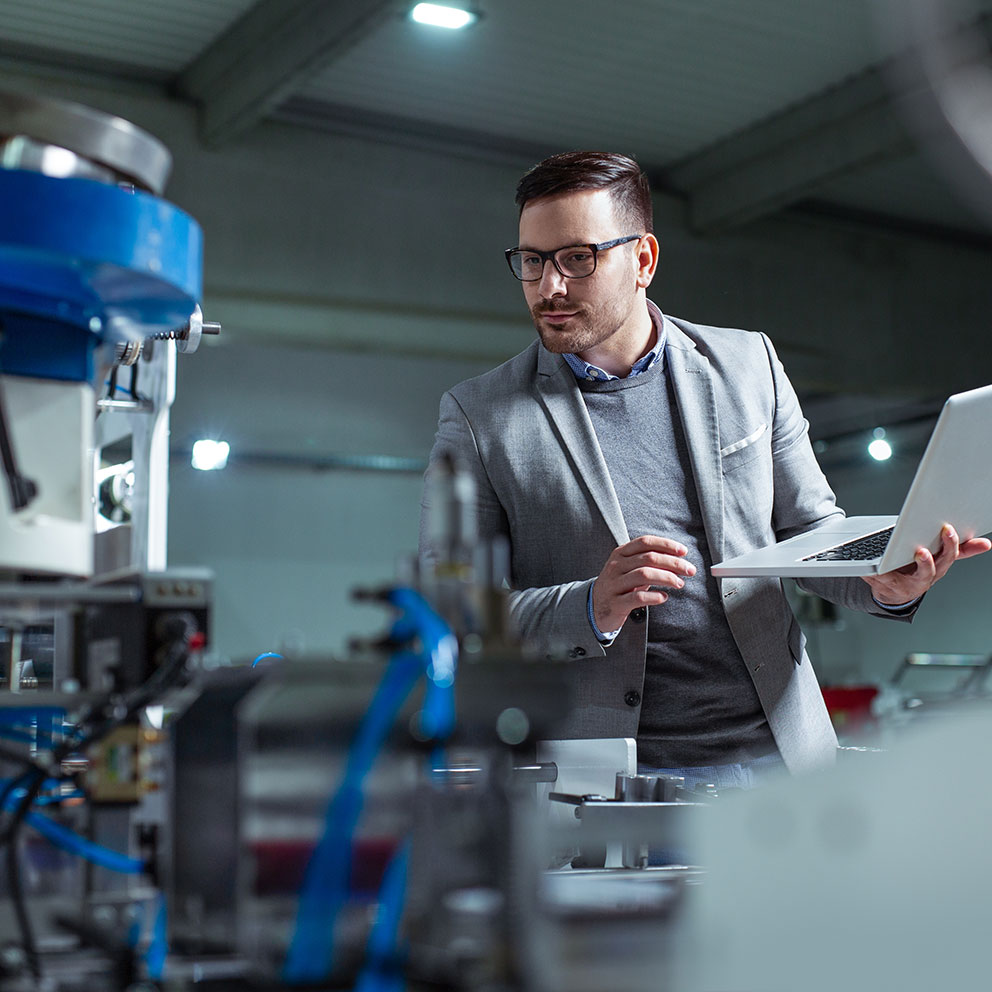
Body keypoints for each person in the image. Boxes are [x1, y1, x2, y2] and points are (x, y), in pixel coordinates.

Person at [418, 150, 989, 786]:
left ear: (643, 260)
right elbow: (452, 608)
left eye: (578, 259)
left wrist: (883, 584)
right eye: (532, 261)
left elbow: (813, 531)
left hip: (781, 759)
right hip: (610, 779)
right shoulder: (479, 416)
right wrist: (590, 605)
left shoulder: (749, 365)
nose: (550, 286)